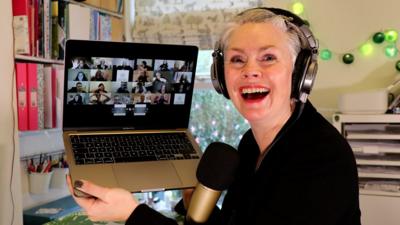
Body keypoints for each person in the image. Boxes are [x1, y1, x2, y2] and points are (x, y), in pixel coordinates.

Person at [67, 7, 361, 225]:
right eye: (237, 59)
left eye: (268, 57)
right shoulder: (250, 144)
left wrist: (132, 215)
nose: (250, 70)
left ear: (299, 73)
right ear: (221, 77)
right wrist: (194, 203)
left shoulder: (322, 157)